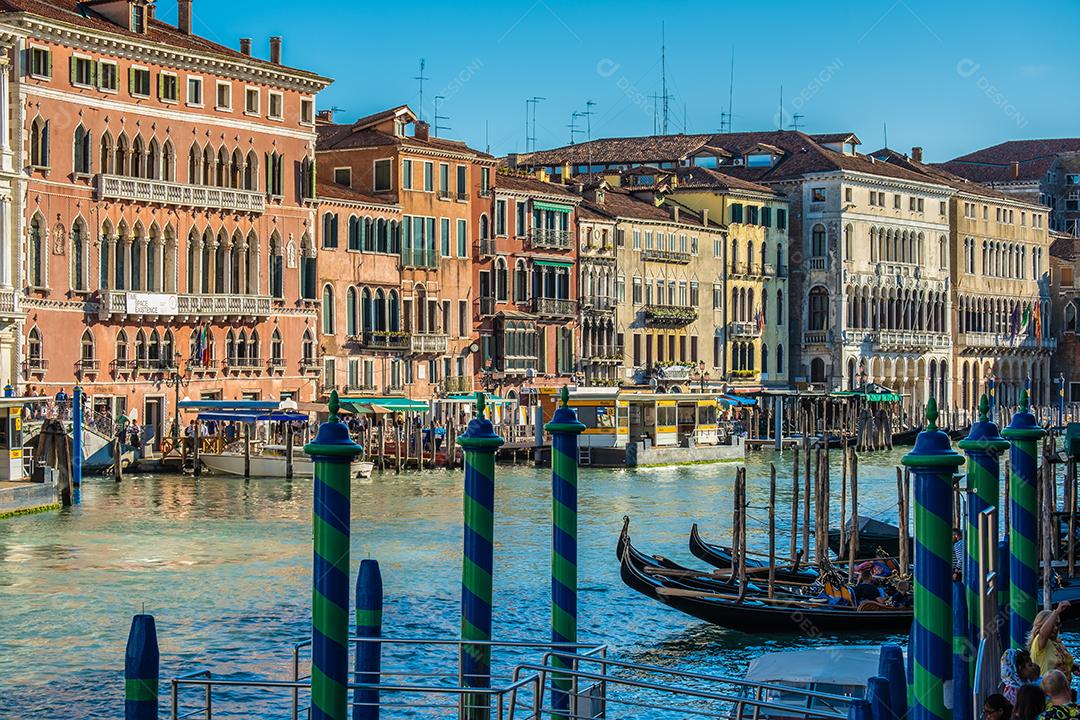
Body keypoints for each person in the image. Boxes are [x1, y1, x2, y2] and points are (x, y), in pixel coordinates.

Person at [1029, 601, 1078, 682]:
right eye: (1052, 625)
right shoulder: (1040, 641)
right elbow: (1043, 633)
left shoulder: (1057, 642)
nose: (1055, 628)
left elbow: (1061, 661)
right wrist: (1057, 611)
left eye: (1057, 624)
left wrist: (1072, 667)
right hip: (1047, 691)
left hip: (1062, 690)